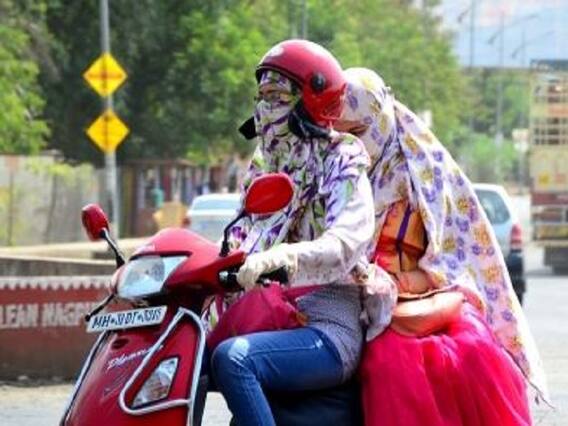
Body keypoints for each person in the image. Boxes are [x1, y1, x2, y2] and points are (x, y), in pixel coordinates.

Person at [336, 67, 547, 426]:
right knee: (387, 362)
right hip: (347, 303)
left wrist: (400, 283)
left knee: (475, 350)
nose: (353, 144)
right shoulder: (330, 171)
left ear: (381, 118)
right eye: (341, 134)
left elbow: (453, 257)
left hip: (422, 297)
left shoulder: (426, 172)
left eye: (358, 132)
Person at [208, 41, 384, 426]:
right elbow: (240, 231)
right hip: (270, 313)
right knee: (186, 354)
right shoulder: (266, 164)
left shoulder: (343, 158)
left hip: (326, 325)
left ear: (311, 101)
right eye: (261, 96)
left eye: (277, 96)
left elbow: (347, 240)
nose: (264, 107)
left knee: (234, 360)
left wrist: (285, 257)